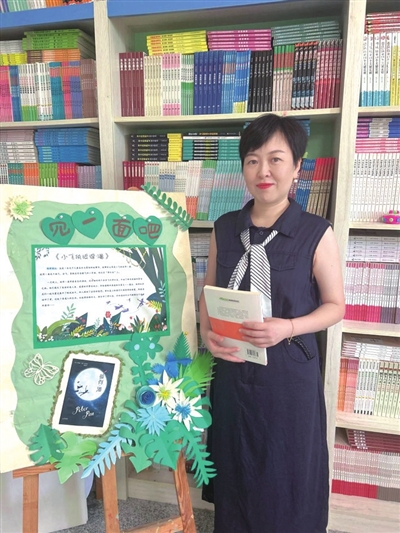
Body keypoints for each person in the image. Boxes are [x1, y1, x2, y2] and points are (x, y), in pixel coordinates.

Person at [199, 113, 345, 533]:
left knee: (286, 468)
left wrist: (288, 327)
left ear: (297, 167)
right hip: (232, 369)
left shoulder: (316, 232)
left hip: (288, 374)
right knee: (236, 460)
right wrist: (208, 334)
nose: (263, 171)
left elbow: (335, 307)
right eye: (252, 160)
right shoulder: (225, 228)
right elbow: (209, 292)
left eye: (276, 159)